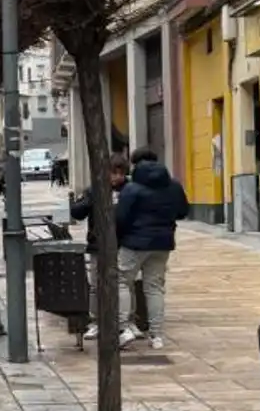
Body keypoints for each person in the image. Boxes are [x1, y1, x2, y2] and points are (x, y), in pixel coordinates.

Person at [115, 147, 190, 350]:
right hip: (163, 243)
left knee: (121, 281)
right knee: (155, 287)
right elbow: (183, 211)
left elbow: (120, 217)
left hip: (134, 243)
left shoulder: (132, 188)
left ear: (134, 164)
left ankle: (124, 329)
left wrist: (120, 236)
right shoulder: (173, 186)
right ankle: (156, 335)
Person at [72, 153, 130, 343]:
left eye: (121, 174)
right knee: (96, 286)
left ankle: (125, 324)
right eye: (113, 173)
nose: (117, 178)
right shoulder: (94, 190)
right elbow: (77, 212)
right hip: (97, 244)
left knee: (123, 283)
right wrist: (90, 199)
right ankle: (96, 321)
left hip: (123, 243)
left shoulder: (129, 190)